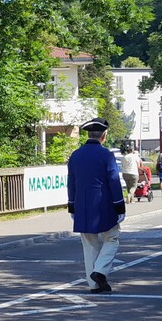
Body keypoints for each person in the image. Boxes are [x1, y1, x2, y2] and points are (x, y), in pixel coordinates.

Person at [67, 119, 125, 293]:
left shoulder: (75, 155)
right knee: (112, 238)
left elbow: (71, 182)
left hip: (83, 205)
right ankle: (99, 271)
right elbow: (113, 180)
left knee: (89, 244)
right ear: (104, 135)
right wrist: (119, 205)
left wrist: (72, 205)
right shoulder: (106, 155)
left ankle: (94, 284)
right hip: (104, 204)